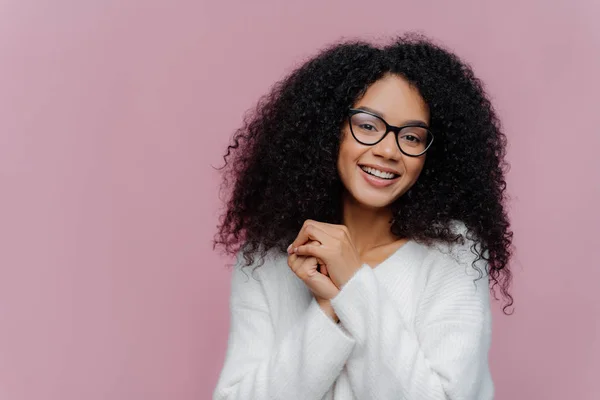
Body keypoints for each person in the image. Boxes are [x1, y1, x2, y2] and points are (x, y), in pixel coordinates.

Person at [212, 34, 513, 400]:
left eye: (413, 137)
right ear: (328, 129)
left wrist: (352, 284)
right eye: (368, 125)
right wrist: (328, 308)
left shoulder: (454, 256)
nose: (388, 150)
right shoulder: (267, 258)